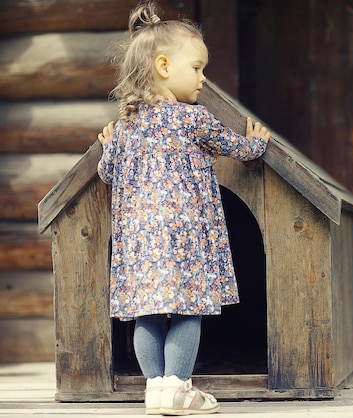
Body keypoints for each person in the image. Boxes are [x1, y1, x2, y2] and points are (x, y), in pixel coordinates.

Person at [96, 1, 270, 415]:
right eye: (196, 68)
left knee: (148, 315)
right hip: (185, 238)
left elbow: (107, 174)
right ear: (162, 66)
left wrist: (106, 148)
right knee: (188, 311)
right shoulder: (192, 119)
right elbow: (238, 148)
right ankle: (178, 388)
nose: (202, 79)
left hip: (139, 244)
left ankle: (155, 390)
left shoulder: (125, 127)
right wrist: (258, 143)